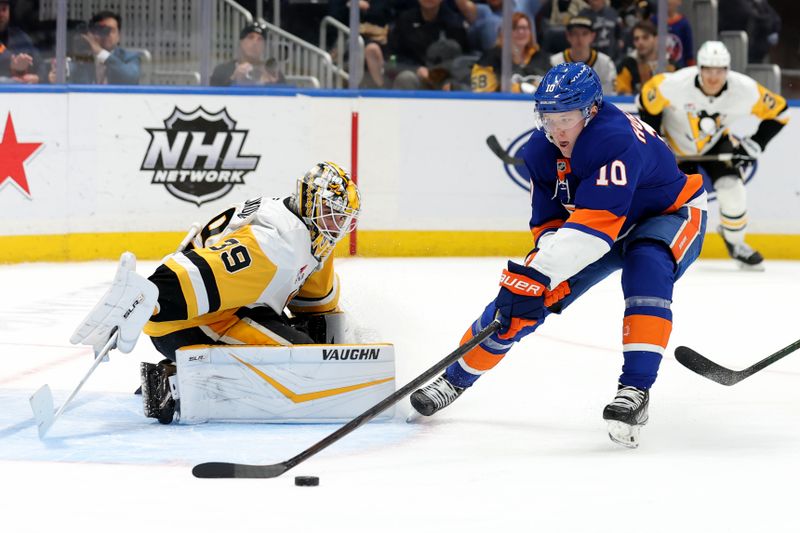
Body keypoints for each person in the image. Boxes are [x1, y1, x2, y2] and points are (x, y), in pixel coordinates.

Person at [410, 62, 708, 449]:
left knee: (646, 265)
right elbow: (550, 223)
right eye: (548, 118)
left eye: (566, 118)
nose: (557, 129)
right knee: (525, 301)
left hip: (668, 214)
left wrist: (535, 275)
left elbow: (594, 232)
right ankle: (454, 378)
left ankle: (635, 391)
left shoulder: (613, 139)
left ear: (592, 111)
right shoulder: (540, 149)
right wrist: (532, 282)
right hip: (602, 225)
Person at [70, 162, 361, 423]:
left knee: (310, 347)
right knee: (297, 362)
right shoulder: (274, 243)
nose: (339, 225)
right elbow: (194, 277)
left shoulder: (311, 230)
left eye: (344, 218)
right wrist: (148, 300)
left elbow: (316, 307)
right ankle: (174, 380)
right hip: (189, 320)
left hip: (232, 307)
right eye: (332, 214)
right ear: (310, 203)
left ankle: (190, 372)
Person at [637, 41, 789, 269]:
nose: (713, 77)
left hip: (716, 144)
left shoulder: (745, 90)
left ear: (728, 70)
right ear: (699, 68)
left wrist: (753, 145)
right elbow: (646, 101)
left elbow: (781, 112)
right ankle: (664, 243)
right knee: (671, 202)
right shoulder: (674, 84)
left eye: (719, 71)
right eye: (708, 70)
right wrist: (657, 141)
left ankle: (735, 243)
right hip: (674, 147)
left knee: (733, 190)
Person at [362, 0, 469, 89]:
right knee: (406, 78)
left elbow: (462, 60)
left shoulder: (454, 23)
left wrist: (446, 78)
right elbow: (393, 60)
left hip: (444, 79)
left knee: (456, 86)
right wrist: (416, 69)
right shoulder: (405, 21)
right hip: (414, 78)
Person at [471, 12, 550, 93]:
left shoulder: (541, 57)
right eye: (515, 28)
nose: (521, 32)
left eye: (525, 28)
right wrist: (518, 89)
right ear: (504, 33)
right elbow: (482, 94)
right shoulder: (489, 59)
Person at [54, 10, 141, 85]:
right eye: (103, 29)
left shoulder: (130, 57)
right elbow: (71, 84)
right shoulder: (84, 58)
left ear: (119, 36)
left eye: (112, 30)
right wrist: (57, 79)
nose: (108, 35)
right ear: (93, 32)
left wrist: (100, 52)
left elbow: (131, 77)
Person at [550, 16, 617, 94]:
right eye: (575, 33)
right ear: (568, 36)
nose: (580, 38)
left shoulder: (605, 63)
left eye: (584, 33)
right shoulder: (555, 63)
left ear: (592, 36)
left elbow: (610, 95)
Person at [210, 22, 286, 87]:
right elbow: (213, 97)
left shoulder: (272, 72)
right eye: (250, 37)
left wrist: (272, 85)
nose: (255, 43)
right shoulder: (222, 70)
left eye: (260, 39)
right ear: (241, 42)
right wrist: (233, 79)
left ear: (264, 46)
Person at [614, 20, 674, 95]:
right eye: (636, 39)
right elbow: (622, 96)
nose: (640, 42)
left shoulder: (670, 65)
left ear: (656, 39)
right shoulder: (627, 65)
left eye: (645, 37)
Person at [0, 0, 41, 83]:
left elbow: (40, 65)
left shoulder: (20, 38)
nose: (0, 14)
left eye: (4, 9)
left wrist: (38, 78)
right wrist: (10, 63)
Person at [651, 0, 693, 68]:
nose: (668, 2)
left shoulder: (684, 23)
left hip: (679, 68)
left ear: (679, 2)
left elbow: (688, 50)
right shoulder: (653, 21)